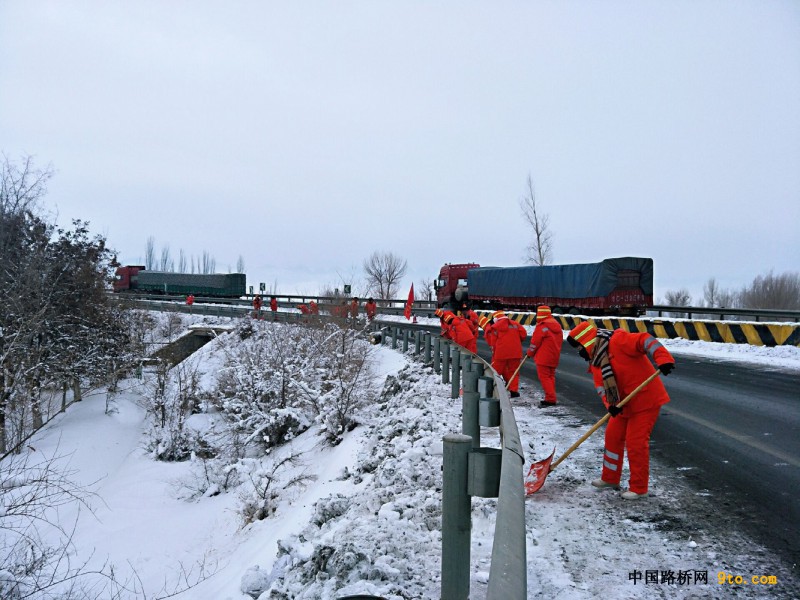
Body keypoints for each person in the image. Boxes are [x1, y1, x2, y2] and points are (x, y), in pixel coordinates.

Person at [566, 320, 676, 500]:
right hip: (622, 404)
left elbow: (645, 340)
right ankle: (610, 478)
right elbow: (601, 388)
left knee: (636, 443)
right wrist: (610, 406)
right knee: (612, 437)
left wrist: (662, 358)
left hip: (645, 400)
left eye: (579, 347)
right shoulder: (595, 361)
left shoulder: (619, 340)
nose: (579, 352)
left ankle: (639, 488)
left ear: (586, 342)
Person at [483, 310, 527, 398]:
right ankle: (513, 391)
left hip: (500, 353)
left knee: (495, 372)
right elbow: (523, 335)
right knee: (513, 372)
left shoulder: (495, 327)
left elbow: (493, 342)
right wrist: (516, 342)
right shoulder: (515, 324)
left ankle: (492, 389)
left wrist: (494, 352)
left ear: (495, 319)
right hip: (515, 352)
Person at [526, 305, 563, 408]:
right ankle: (551, 396)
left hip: (543, 357)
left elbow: (535, 342)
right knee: (550, 376)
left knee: (545, 377)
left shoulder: (542, 326)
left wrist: (530, 353)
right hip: (554, 356)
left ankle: (550, 399)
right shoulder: (557, 325)